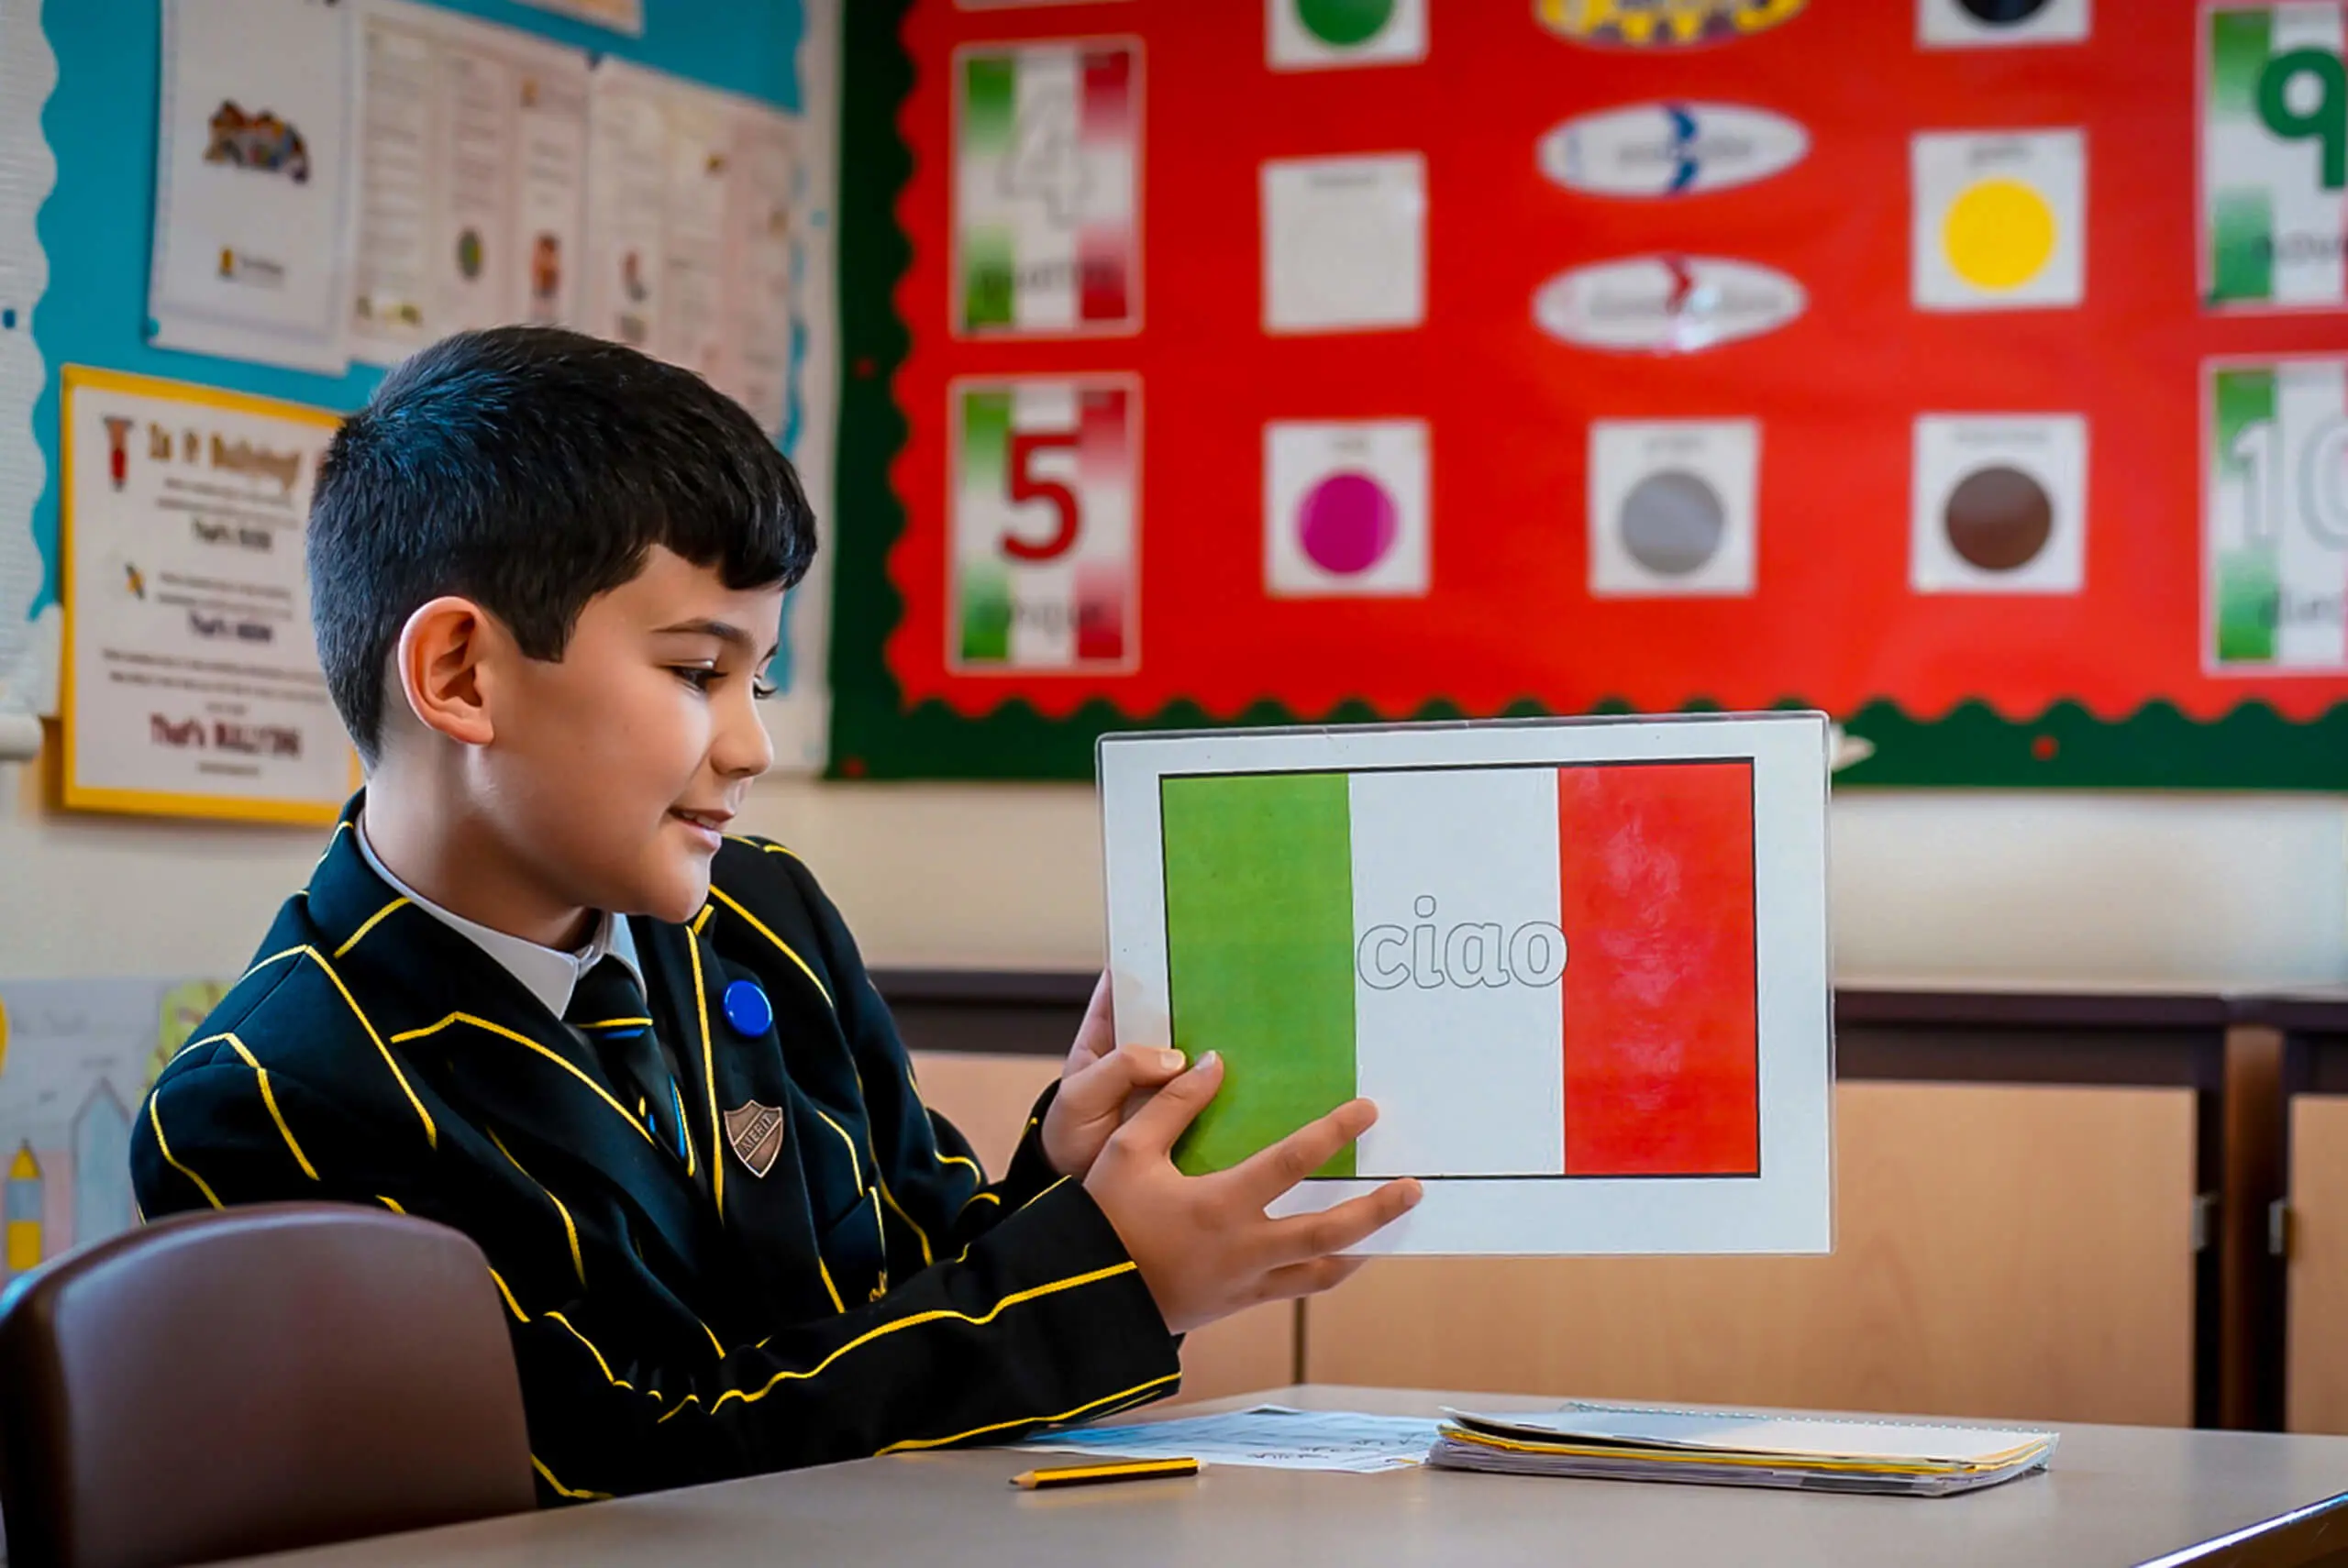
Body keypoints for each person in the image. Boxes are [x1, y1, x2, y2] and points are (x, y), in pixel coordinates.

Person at [129, 327, 1421, 1504]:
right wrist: (1105, 1277)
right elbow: (622, 1480)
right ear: (462, 673)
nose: (748, 744)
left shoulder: (761, 912)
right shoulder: (269, 1102)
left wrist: (1064, 1192)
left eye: (760, 673)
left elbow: (913, 1279)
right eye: (698, 670)